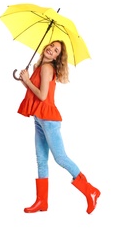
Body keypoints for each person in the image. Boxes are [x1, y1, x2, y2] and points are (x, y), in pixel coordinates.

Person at [17, 40, 101, 214]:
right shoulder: (40, 66)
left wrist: (27, 80)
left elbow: (41, 96)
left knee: (60, 158)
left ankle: (90, 190)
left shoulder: (47, 68)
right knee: (41, 160)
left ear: (57, 57)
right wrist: (24, 80)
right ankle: (42, 202)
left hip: (48, 120)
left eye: (56, 50)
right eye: (51, 46)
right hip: (39, 118)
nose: (51, 50)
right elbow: (35, 90)